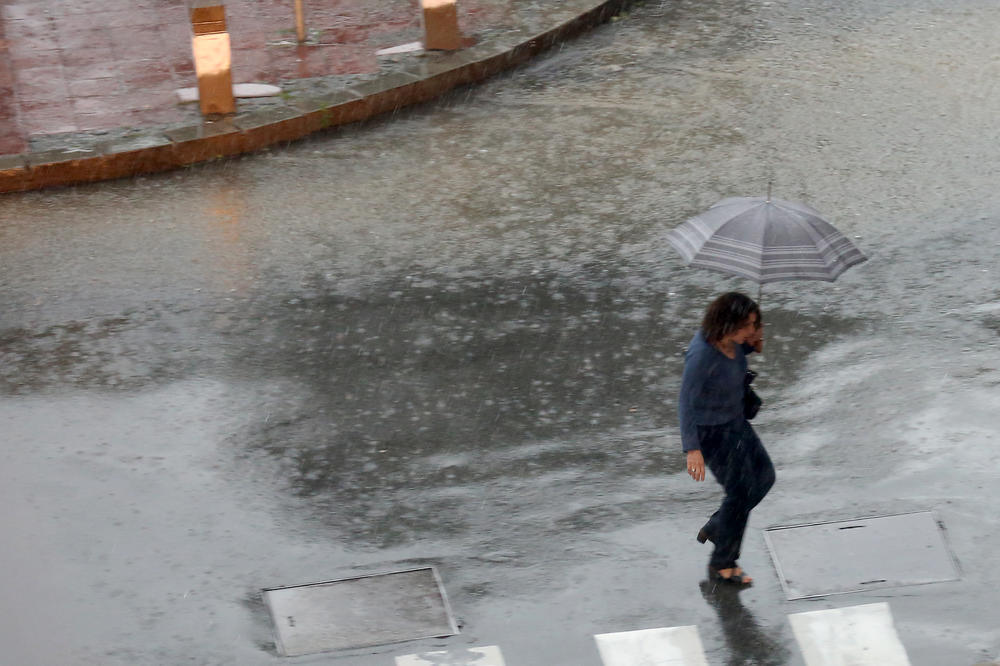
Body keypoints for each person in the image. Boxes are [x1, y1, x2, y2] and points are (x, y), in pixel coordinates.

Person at [679, 292, 774, 586]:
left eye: (754, 324)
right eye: (747, 325)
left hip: (735, 423)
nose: (751, 329)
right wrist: (692, 449)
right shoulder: (702, 356)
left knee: (765, 477)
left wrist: (754, 342)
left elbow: (737, 358)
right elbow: (685, 402)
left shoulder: (734, 342)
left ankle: (719, 525)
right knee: (739, 493)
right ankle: (722, 563)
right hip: (712, 433)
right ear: (728, 324)